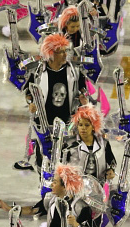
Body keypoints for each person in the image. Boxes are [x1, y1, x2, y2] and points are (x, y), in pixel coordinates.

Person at [22, 34, 88, 168]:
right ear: (50, 54)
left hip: (68, 124)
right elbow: (28, 93)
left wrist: (83, 97)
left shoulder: (74, 71)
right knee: (44, 160)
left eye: (66, 51)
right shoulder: (38, 72)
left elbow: (83, 88)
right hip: (44, 124)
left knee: (65, 162)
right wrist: (31, 104)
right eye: (61, 52)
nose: (65, 55)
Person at [62, 104, 116, 184]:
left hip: (99, 187)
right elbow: (61, 165)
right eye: (80, 125)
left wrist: (111, 170)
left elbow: (112, 161)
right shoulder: (69, 144)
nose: (83, 128)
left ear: (93, 126)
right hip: (76, 187)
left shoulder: (103, 143)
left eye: (87, 125)